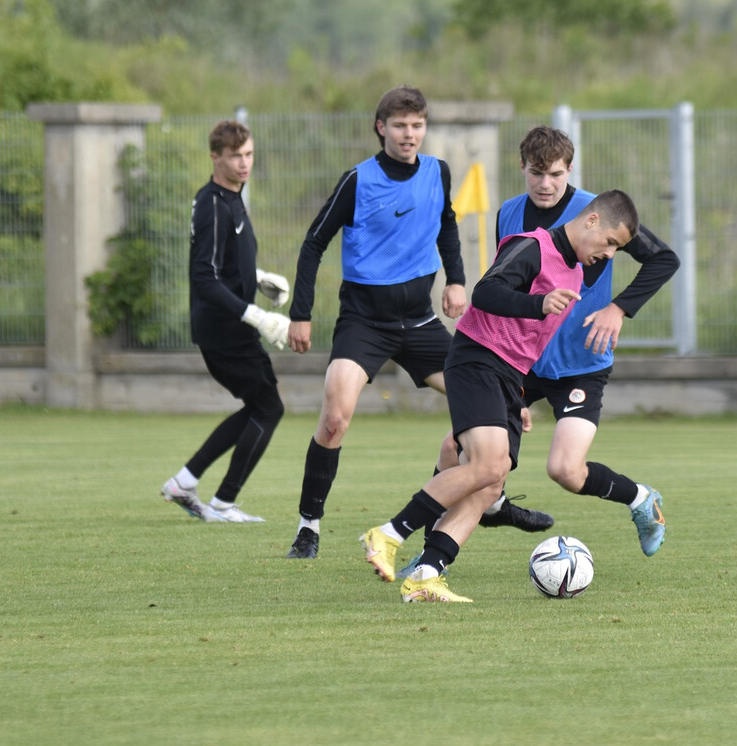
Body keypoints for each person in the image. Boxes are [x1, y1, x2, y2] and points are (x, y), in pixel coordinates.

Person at [282, 86, 550, 559]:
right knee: (334, 419)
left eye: (418, 125)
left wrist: (456, 280)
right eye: (401, 125)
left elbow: (447, 224)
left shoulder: (436, 171)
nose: (410, 134)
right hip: (363, 322)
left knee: (501, 401)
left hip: (420, 322)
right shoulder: (358, 180)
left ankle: (493, 501)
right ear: (381, 127)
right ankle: (309, 526)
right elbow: (313, 243)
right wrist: (300, 314)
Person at [360, 190, 640, 603]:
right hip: (477, 359)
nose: (610, 254)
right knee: (488, 464)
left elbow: (529, 342)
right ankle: (387, 534)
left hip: (509, 378)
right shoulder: (533, 246)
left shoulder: (576, 274)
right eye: (612, 242)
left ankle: (425, 574)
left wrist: (518, 399)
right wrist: (537, 302)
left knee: (492, 483)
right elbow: (486, 293)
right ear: (593, 220)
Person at [500, 126, 680, 556]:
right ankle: (432, 558)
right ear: (521, 167)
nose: (546, 184)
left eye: (556, 174)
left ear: (570, 169)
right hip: (523, 359)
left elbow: (663, 258)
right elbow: (505, 287)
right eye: (537, 173)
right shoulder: (508, 213)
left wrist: (618, 308)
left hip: (582, 360)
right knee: (463, 449)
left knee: (565, 470)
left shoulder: (594, 212)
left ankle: (640, 499)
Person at [159, 119, 291, 523]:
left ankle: (184, 481)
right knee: (268, 408)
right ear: (215, 157)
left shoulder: (232, 197)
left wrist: (257, 278)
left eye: (249, 154)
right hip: (225, 329)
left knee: (259, 406)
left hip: (228, 326)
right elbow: (203, 276)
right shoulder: (214, 204)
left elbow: (223, 265)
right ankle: (222, 503)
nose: (244, 163)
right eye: (235, 156)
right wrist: (255, 314)